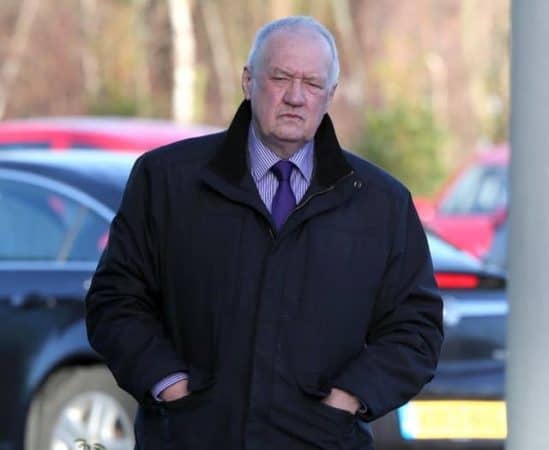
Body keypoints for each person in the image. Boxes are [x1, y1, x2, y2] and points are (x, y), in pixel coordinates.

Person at [86, 16, 443, 450]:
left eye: (312, 84)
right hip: (189, 438)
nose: (295, 97)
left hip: (320, 442)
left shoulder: (380, 204)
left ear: (330, 96)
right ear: (248, 81)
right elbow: (116, 299)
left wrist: (348, 399)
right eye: (281, 77)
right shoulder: (166, 181)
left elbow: (415, 329)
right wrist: (169, 385)